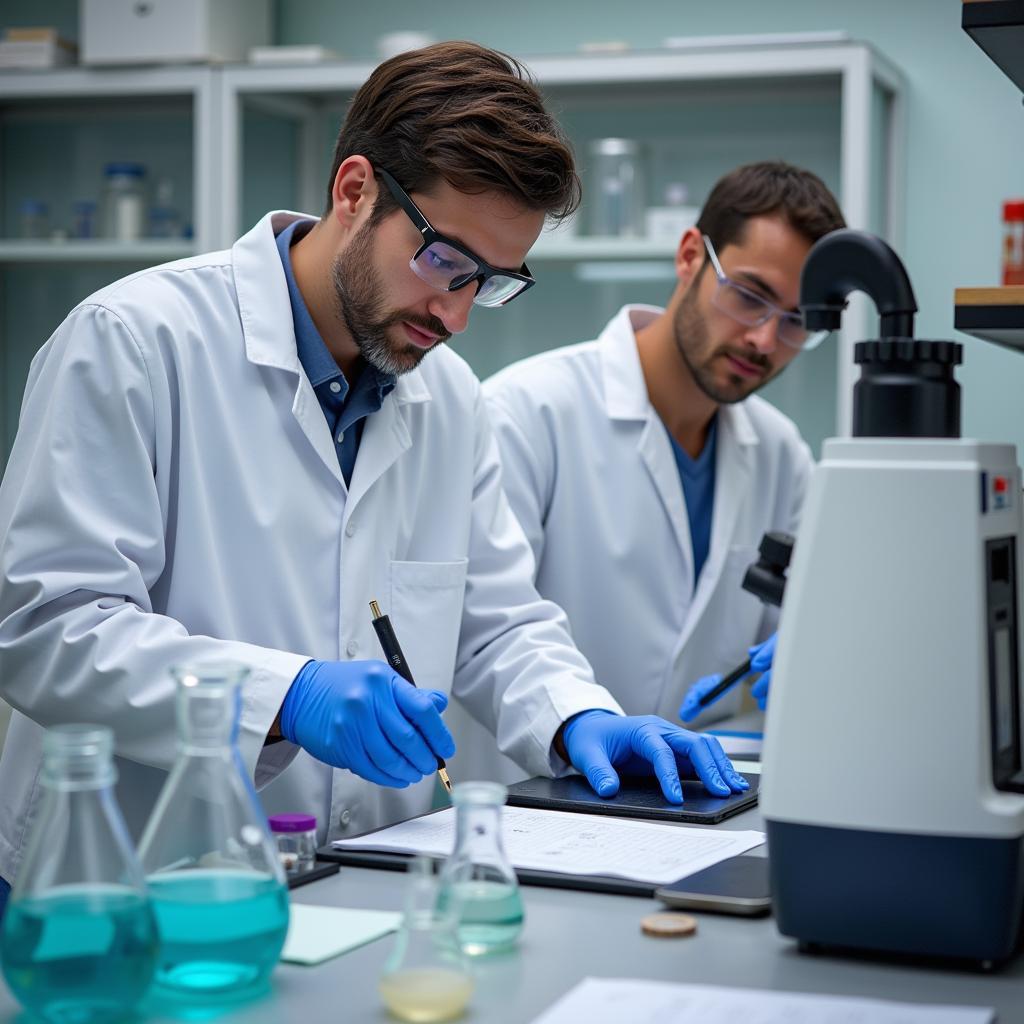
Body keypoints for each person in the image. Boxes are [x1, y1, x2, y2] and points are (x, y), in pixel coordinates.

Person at [0, 42, 748, 918]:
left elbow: (496, 623)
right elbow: (47, 624)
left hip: (360, 886)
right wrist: (287, 694)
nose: (458, 313)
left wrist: (575, 718)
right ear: (354, 191)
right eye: (445, 261)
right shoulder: (134, 341)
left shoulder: (449, 399)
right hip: (133, 882)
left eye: (494, 283)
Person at [446, 162, 844, 783]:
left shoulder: (781, 453)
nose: (766, 340)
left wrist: (813, 649)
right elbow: (489, 630)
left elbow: (802, 627)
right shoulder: (528, 412)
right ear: (690, 256)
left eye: (797, 321)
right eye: (750, 296)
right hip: (540, 799)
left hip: (697, 800)